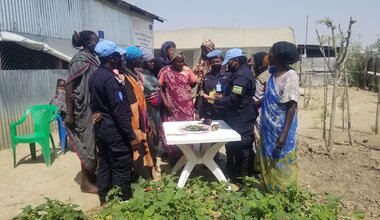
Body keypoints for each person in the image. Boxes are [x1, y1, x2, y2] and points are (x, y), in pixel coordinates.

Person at [89, 40, 137, 204]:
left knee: (105, 163)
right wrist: (131, 136)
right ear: (112, 58)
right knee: (121, 165)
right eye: (118, 55)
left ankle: (104, 198)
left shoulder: (95, 76)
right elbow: (119, 111)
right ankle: (123, 201)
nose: (121, 58)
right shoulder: (110, 80)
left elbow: (94, 103)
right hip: (114, 132)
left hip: (101, 130)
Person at [202, 48, 258, 181]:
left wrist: (216, 99)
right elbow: (234, 95)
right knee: (236, 146)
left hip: (242, 117)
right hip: (237, 116)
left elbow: (234, 99)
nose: (226, 65)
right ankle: (236, 174)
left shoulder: (242, 76)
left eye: (229, 62)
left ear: (236, 61)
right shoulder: (240, 72)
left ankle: (245, 180)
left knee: (244, 147)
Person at [259, 41, 300, 193]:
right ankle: (269, 190)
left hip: (281, 128)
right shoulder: (273, 73)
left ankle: (284, 194)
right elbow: (268, 96)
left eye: (271, 52)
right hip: (267, 128)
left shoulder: (290, 76)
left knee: (282, 160)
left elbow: (291, 106)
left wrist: (284, 135)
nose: (268, 55)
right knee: (269, 159)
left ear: (278, 56)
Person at [65, 30, 99, 194]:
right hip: (82, 110)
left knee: (94, 145)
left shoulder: (93, 58)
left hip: (92, 107)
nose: (97, 44)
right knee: (87, 145)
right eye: (95, 41)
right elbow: (69, 86)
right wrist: (70, 114)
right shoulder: (79, 60)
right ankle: (85, 183)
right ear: (87, 43)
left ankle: (92, 177)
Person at [122, 45, 156, 180]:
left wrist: (148, 119)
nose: (142, 61)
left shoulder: (134, 75)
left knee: (146, 144)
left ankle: (145, 173)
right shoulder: (125, 77)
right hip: (134, 119)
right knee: (137, 147)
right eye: (140, 59)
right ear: (133, 60)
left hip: (142, 115)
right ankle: (138, 177)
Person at [158, 51, 197, 165]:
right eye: (178, 62)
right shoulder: (165, 71)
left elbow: (193, 83)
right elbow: (160, 88)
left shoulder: (187, 70)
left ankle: (187, 156)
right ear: (172, 62)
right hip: (172, 106)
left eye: (182, 62)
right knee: (174, 131)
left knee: (187, 129)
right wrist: (166, 103)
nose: (181, 64)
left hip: (187, 106)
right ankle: (174, 157)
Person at [140, 47, 162, 171]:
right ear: (143, 62)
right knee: (150, 134)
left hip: (155, 110)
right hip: (148, 110)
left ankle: (153, 159)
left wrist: (157, 92)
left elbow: (158, 87)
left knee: (156, 133)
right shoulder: (140, 76)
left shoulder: (150, 74)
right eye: (150, 62)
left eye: (153, 61)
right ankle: (151, 163)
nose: (153, 64)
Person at [195, 49, 228, 120]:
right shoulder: (206, 77)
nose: (215, 63)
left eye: (217, 61)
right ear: (210, 63)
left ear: (221, 62)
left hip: (223, 112)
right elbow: (202, 95)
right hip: (209, 112)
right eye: (213, 62)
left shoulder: (227, 76)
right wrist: (197, 111)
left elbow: (232, 96)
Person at [193, 40, 216, 108]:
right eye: (202, 49)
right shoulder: (201, 61)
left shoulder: (215, 61)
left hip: (213, 89)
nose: (203, 51)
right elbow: (195, 73)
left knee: (211, 106)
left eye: (205, 49)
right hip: (201, 89)